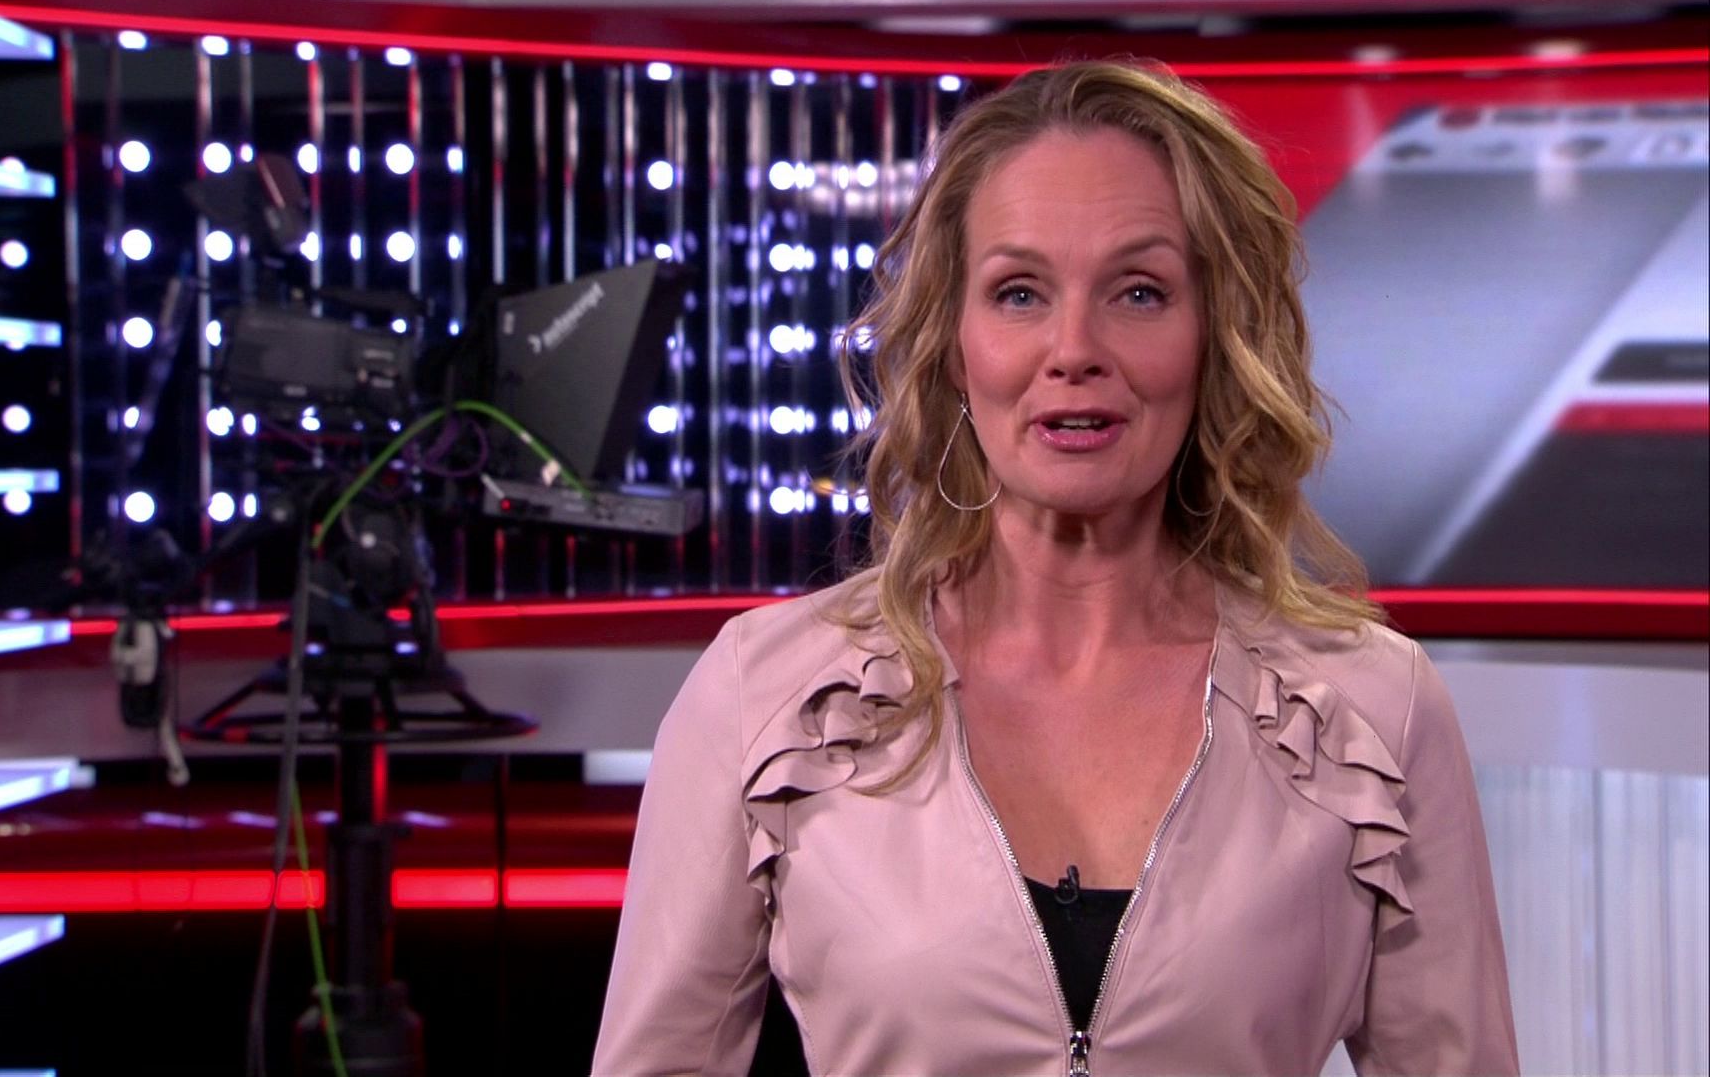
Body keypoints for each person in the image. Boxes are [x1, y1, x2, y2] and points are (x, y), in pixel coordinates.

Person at [594, 59, 1518, 1076]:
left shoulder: (1372, 712)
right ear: (954, 343)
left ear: (1216, 337)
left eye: (1139, 291)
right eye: (1020, 292)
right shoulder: (765, 696)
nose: (1074, 349)